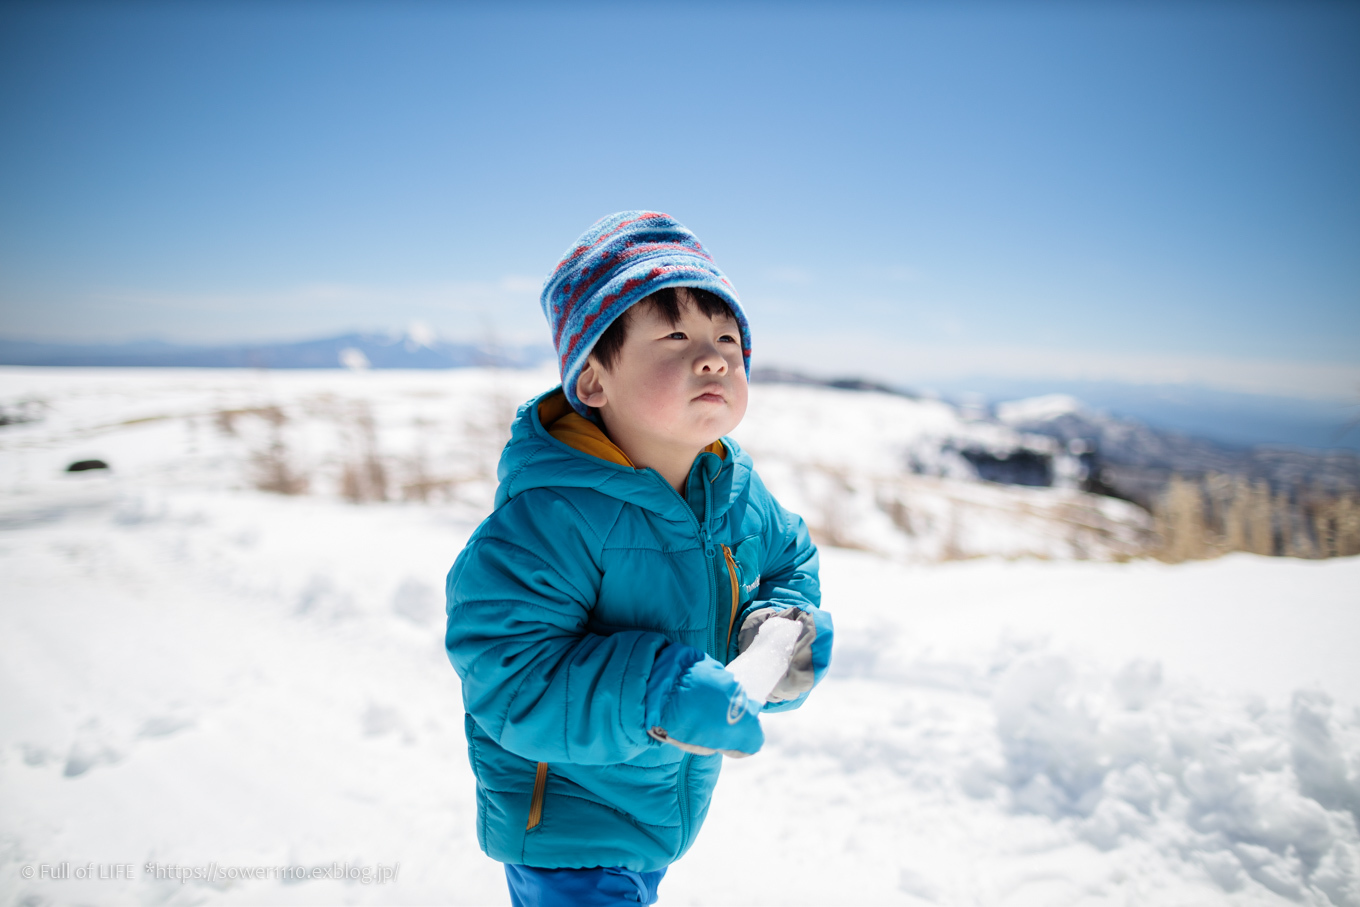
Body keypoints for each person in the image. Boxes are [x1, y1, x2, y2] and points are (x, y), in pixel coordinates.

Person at [445, 211, 833, 906]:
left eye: (726, 338)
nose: (712, 356)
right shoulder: (552, 515)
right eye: (674, 337)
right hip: (569, 830)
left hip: (658, 812)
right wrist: (658, 689)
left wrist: (776, 628)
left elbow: (788, 561)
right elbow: (508, 677)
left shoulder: (734, 489)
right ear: (593, 381)